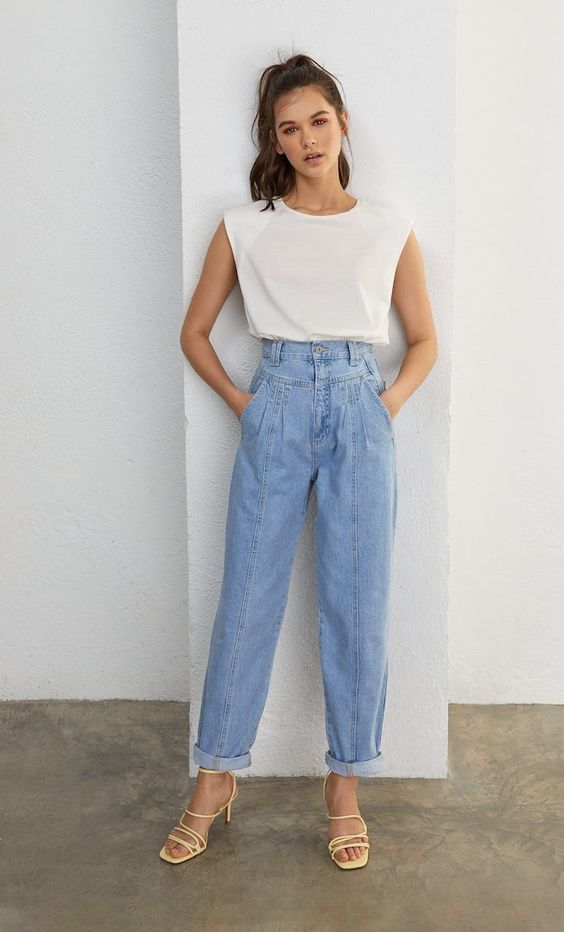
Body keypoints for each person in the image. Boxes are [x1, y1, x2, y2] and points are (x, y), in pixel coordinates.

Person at [160, 53, 437, 870]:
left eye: (319, 120)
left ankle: (345, 786)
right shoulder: (245, 227)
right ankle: (215, 775)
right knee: (248, 596)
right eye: (290, 128)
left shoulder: (388, 229)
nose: (308, 138)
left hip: (359, 405)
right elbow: (194, 333)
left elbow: (424, 341)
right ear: (274, 142)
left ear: (342, 124)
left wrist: (383, 404)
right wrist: (244, 403)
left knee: (359, 601)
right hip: (274, 401)